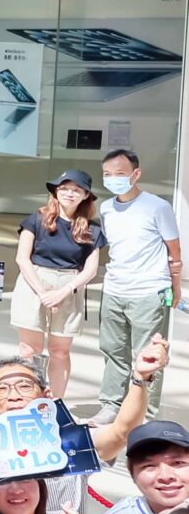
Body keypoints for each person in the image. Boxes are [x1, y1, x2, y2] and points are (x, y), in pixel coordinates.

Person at [96, 147, 180, 415]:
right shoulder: (106, 208)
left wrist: (175, 287)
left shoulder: (157, 207)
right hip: (114, 290)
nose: (113, 179)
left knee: (149, 355)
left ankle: (146, 414)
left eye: (119, 173)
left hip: (148, 292)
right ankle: (111, 405)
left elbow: (174, 251)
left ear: (136, 174)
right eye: (107, 174)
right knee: (113, 351)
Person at [9, 170, 100, 397]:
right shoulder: (36, 219)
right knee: (29, 349)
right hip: (34, 282)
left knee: (60, 351)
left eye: (76, 190)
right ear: (55, 192)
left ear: (86, 195)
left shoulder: (92, 229)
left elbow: (91, 269)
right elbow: (22, 258)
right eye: (64, 188)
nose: (69, 193)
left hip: (69, 285)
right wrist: (42, 292)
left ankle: (57, 403)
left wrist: (63, 292)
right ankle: (28, 399)